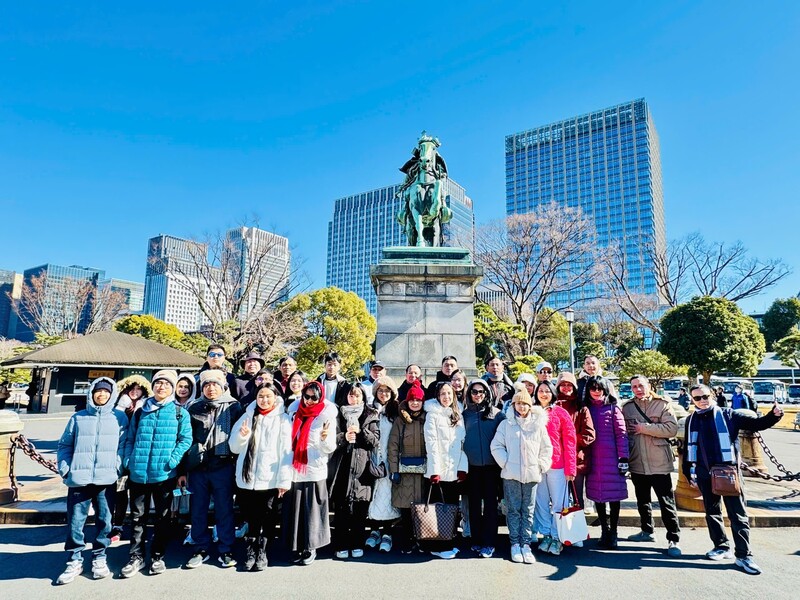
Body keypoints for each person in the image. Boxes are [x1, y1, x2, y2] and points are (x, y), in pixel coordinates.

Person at [683, 384, 784, 575]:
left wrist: (774, 415)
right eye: (697, 398)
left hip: (728, 472)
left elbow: (757, 424)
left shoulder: (729, 415)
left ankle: (744, 555)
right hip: (704, 473)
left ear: (712, 395)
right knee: (712, 512)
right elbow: (688, 451)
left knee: (737, 514)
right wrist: (689, 473)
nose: (702, 400)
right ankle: (721, 545)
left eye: (705, 396)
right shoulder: (691, 420)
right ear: (692, 400)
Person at [55, 378, 128, 584]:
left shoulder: (119, 417)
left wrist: (117, 466)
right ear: (92, 393)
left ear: (112, 394)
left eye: (106, 392)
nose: (102, 395)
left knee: (105, 519)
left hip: (106, 478)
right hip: (79, 477)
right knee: (76, 521)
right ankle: (74, 558)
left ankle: (99, 556)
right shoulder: (78, 417)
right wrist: (66, 469)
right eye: (98, 391)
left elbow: (124, 444)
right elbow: (65, 445)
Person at [122, 370, 192, 577]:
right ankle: (136, 556)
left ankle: (157, 555)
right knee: (137, 518)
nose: (162, 387)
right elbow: (130, 438)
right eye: (158, 383)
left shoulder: (180, 412)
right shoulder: (140, 410)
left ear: (172, 388)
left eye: (166, 384)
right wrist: (129, 460)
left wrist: (171, 461)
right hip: (138, 473)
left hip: (164, 475)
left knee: (162, 518)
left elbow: (185, 440)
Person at [182, 369, 244, 569]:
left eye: (215, 384)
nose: (211, 388)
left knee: (224, 509)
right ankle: (200, 547)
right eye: (207, 385)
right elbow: (186, 438)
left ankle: (226, 549)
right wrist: (184, 470)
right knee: (198, 509)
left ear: (223, 386)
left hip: (224, 466)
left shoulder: (234, 407)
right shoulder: (194, 407)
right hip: (199, 467)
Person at [229, 382, 293, 571]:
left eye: (268, 396)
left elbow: (286, 451)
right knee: (251, 517)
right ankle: (250, 550)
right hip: (248, 478)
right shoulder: (247, 416)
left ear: (275, 398)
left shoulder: (282, 419)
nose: (264, 400)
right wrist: (242, 436)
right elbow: (234, 447)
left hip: (270, 478)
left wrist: (283, 480)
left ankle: (263, 552)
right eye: (260, 396)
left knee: (268, 517)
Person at [490, 385, 552, 565]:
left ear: (530, 405)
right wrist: (506, 463)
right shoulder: (506, 424)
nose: (522, 407)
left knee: (528, 510)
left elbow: (546, 448)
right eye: (518, 404)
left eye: (525, 404)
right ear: (514, 405)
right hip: (511, 475)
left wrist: (541, 465)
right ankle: (515, 543)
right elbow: (496, 446)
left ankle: (526, 544)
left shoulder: (538, 425)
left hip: (532, 474)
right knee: (513, 510)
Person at [623, 375, 681, 557]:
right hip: (637, 461)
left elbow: (671, 429)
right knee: (642, 500)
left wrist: (644, 428)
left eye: (641, 385)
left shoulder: (662, 404)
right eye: (634, 387)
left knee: (666, 502)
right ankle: (647, 531)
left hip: (659, 462)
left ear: (648, 386)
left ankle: (674, 538)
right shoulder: (627, 408)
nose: (638, 389)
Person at [284, 381, 337, 565]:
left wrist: (324, 438)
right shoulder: (294, 413)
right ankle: (297, 545)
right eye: (306, 396)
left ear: (320, 397)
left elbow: (330, 447)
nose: (309, 400)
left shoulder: (325, 416)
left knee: (312, 510)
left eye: (314, 397)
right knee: (296, 510)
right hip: (294, 468)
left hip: (314, 468)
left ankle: (311, 547)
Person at [329, 383, 380, 559]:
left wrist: (362, 431)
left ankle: (357, 543)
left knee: (360, 510)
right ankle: (341, 544)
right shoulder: (337, 414)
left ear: (363, 397)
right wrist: (343, 437)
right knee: (342, 510)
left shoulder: (371, 415)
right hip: (342, 467)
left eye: (358, 395)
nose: (354, 399)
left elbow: (375, 440)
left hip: (363, 468)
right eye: (351, 395)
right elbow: (331, 439)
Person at [423, 382, 468, 559]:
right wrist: (434, 471)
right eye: (443, 394)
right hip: (439, 471)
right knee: (439, 510)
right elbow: (431, 444)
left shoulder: (457, 414)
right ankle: (439, 546)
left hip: (453, 469)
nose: (446, 397)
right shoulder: (432, 415)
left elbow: (462, 444)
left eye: (449, 393)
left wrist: (462, 467)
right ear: (437, 395)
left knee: (450, 509)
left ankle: (448, 542)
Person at [533, 380, 577, 556]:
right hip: (536, 465)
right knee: (540, 502)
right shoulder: (531, 412)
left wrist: (570, 468)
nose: (544, 394)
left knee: (559, 503)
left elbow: (570, 441)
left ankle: (557, 535)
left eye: (547, 391)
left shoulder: (560, 413)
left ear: (553, 393)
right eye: (540, 391)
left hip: (557, 465)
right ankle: (545, 534)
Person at [584, 375, 628, 549]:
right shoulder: (586, 408)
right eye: (593, 388)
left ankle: (614, 533)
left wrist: (623, 458)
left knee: (614, 497)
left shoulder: (613, 408)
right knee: (598, 497)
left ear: (605, 389)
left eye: (599, 388)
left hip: (612, 459)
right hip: (593, 458)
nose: (596, 392)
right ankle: (604, 530)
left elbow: (622, 435)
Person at [462, 379, 504, 558]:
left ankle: (489, 542)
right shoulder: (464, 415)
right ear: (469, 394)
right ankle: (476, 539)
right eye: (474, 392)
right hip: (472, 467)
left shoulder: (497, 414)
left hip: (491, 468)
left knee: (490, 506)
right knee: (473, 505)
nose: (477, 395)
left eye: (481, 392)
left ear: (487, 393)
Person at [387, 380, 428, 554]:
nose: (415, 403)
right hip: (404, 470)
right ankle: (407, 540)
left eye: (418, 400)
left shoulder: (428, 418)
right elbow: (393, 445)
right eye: (412, 400)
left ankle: (420, 540)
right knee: (405, 508)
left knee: (421, 508)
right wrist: (394, 470)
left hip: (423, 470)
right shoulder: (400, 419)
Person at [110, 374, 152, 542]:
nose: (135, 392)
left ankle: (138, 528)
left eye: (138, 389)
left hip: (137, 454)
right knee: (119, 492)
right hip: (118, 453)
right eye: (131, 389)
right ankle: (117, 525)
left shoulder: (146, 407)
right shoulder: (116, 408)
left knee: (138, 496)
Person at [365, 375, 401, 552]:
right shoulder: (369, 409)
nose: (384, 393)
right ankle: (373, 531)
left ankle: (387, 532)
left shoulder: (397, 411)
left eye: (387, 390)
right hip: (371, 457)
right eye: (380, 390)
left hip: (389, 458)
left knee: (387, 496)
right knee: (372, 494)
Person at [554, 372, 595, 510]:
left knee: (577, 499)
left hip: (577, 460)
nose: (566, 387)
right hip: (556, 461)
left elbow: (589, 435)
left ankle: (579, 530)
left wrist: (568, 441)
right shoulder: (552, 406)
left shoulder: (581, 408)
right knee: (559, 499)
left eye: (569, 385)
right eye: (562, 385)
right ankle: (559, 530)